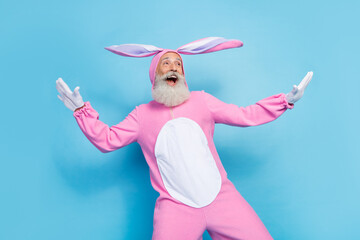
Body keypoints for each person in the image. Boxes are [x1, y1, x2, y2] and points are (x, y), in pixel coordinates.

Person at [56, 37, 313, 240]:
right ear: (155, 74)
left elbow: (245, 115)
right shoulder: (141, 115)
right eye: (166, 64)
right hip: (176, 209)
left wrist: (284, 101)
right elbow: (108, 139)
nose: (173, 68)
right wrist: (82, 111)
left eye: (178, 64)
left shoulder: (202, 101)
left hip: (222, 200)